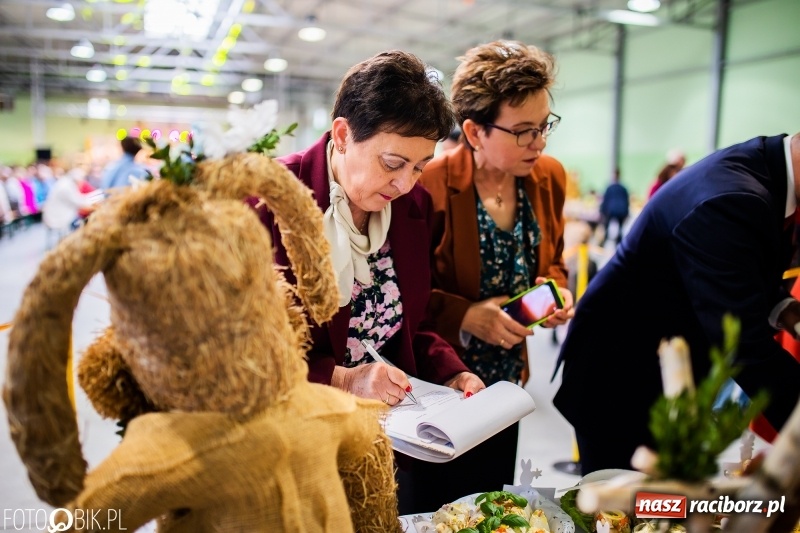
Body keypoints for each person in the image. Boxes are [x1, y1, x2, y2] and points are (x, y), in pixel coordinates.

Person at [250, 50, 485, 513]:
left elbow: (408, 325)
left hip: (379, 444)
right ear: (342, 134)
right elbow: (240, 348)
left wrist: (451, 372)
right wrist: (341, 378)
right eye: (393, 163)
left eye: (419, 167)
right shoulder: (272, 200)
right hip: (289, 441)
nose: (404, 183)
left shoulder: (411, 209)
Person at [554, 133, 800, 475]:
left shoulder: (764, 170)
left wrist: (783, 306)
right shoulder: (733, 197)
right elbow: (746, 348)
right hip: (623, 378)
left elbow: (737, 265)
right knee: (625, 511)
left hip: (662, 368)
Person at [417, 40, 575, 509]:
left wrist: (556, 290)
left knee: (491, 500)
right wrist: (466, 316)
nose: (540, 142)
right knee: (437, 504)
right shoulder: (431, 186)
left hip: (508, 385)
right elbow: (402, 292)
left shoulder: (548, 177)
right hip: (442, 384)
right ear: (474, 130)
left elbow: (554, 259)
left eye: (545, 125)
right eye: (523, 131)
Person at [599, 167, 630, 246]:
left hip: (612, 211)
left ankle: (606, 242)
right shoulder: (622, 188)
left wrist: (602, 211)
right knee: (618, 229)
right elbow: (626, 201)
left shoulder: (610, 188)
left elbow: (605, 201)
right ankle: (618, 243)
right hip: (620, 211)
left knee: (609, 228)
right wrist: (626, 212)